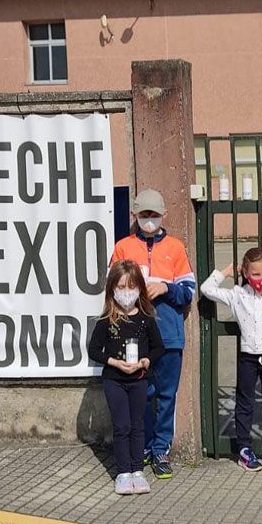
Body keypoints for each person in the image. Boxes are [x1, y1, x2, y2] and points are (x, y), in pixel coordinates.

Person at [110, 189, 197, 480]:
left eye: (154, 215)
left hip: (169, 334)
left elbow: (188, 292)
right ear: (134, 215)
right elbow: (113, 286)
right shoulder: (123, 246)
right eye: (144, 215)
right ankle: (143, 447)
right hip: (135, 336)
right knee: (140, 394)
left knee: (166, 395)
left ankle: (161, 450)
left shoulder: (176, 247)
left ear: (163, 215)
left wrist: (166, 288)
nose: (149, 220)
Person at [200, 248, 262, 473]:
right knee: (244, 403)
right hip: (248, 357)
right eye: (255, 274)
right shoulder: (238, 295)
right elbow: (206, 289)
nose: (261, 279)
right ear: (246, 273)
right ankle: (244, 448)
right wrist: (225, 272)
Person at [87, 261, 165, 496]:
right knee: (121, 426)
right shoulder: (106, 320)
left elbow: (158, 348)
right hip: (114, 380)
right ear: (112, 289)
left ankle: (137, 470)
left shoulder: (146, 319)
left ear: (140, 288)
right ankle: (122, 472)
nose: (126, 292)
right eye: (121, 287)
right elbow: (94, 350)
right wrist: (113, 362)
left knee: (137, 425)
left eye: (131, 286)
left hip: (139, 379)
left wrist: (145, 361)